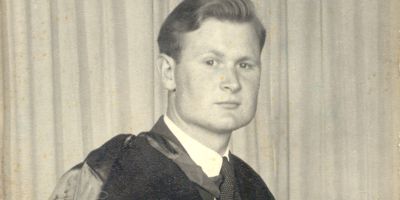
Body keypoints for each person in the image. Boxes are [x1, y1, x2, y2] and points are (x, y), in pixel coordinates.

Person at [50, 0, 275, 199]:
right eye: (211, 62)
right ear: (168, 72)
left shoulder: (253, 187)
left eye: (244, 65)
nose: (232, 83)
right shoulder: (105, 176)